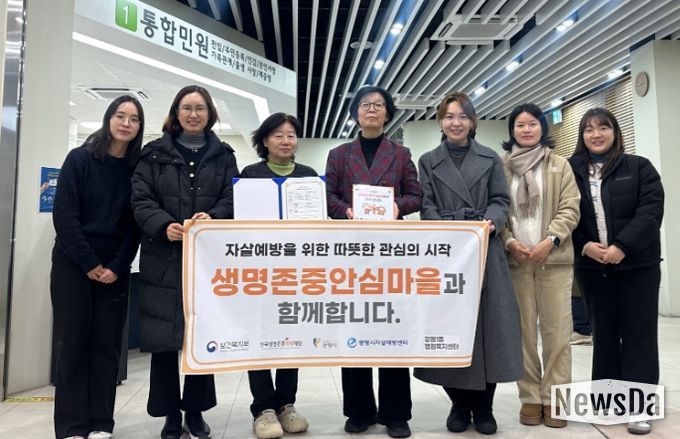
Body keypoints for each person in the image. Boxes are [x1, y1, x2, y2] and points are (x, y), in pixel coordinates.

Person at [131, 85, 239, 439]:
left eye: (200, 108)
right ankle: (170, 415)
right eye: (187, 108)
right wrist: (164, 225)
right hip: (162, 256)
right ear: (176, 112)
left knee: (201, 335)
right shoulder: (153, 153)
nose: (194, 114)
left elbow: (233, 196)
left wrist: (215, 217)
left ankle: (195, 411)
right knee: (164, 338)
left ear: (210, 114)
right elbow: (140, 198)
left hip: (207, 259)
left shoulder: (223, 155)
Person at [414, 92, 522, 436]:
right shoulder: (428, 160)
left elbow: (500, 200)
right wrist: (449, 233)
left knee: (490, 329)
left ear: (472, 122)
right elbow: (426, 205)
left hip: (485, 249)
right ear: (440, 121)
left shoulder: (490, 158)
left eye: (462, 116)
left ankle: (484, 406)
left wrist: (488, 224)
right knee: (449, 329)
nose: (455, 122)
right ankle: (459, 404)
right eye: (449, 116)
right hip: (446, 255)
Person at [325, 85, 422, 438]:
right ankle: (359, 410)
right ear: (355, 113)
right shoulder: (339, 154)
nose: (371, 109)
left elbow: (416, 195)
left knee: (392, 327)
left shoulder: (401, 153)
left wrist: (397, 207)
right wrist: (346, 211)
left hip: (391, 252)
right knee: (355, 327)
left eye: (378, 105)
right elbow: (328, 196)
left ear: (387, 114)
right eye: (365, 104)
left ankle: (396, 413)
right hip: (351, 251)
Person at [51, 95, 144, 439]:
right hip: (73, 264)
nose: (126, 123)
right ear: (108, 119)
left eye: (134, 119)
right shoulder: (79, 159)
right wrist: (89, 262)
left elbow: (134, 225)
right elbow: (65, 215)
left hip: (115, 269)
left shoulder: (136, 171)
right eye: (120, 116)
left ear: (139, 127)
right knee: (72, 343)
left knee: (107, 346)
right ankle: (72, 426)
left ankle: (102, 423)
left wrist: (117, 266)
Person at [569, 108, 664, 436]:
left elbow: (650, 212)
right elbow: (565, 215)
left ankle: (640, 407)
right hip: (592, 267)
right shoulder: (570, 171)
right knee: (604, 334)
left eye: (603, 128)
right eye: (589, 129)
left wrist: (622, 246)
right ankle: (608, 401)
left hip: (637, 266)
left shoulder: (639, 167)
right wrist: (584, 246)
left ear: (615, 132)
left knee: (639, 335)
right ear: (581, 136)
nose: (596, 134)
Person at [498, 103, 580, 428]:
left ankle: (556, 399)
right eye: (520, 124)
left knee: (558, 336)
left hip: (554, 262)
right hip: (516, 263)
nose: (526, 129)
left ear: (542, 128)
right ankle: (530, 398)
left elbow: (571, 207)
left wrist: (551, 239)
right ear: (512, 130)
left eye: (532, 124)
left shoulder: (559, 165)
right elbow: (497, 209)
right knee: (523, 336)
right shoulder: (502, 167)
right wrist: (509, 241)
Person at [239, 113, 314, 439]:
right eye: (278, 135)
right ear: (265, 141)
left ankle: (286, 404)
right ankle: (263, 409)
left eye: (291, 135)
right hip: (258, 271)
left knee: (290, 336)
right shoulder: (250, 175)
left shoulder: (309, 176)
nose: (285, 141)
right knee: (257, 335)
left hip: (296, 272)